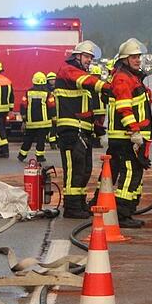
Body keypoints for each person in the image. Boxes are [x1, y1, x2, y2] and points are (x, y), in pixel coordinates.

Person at [55, 41, 107, 219]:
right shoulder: (68, 70)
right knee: (73, 169)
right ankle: (71, 207)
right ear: (76, 56)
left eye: (91, 58)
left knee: (84, 169)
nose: (89, 61)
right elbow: (89, 81)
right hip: (70, 129)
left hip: (82, 130)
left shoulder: (81, 75)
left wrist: (97, 126)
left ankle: (79, 202)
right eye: (86, 57)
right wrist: (107, 86)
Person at [108, 38, 152, 228]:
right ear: (125, 59)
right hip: (126, 137)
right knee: (128, 175)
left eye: (138, 57)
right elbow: (124, 108)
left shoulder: (132, 77)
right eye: (133, 57)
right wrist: (134, 130)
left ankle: (129, 210)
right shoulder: (122, 78)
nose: (137, 60)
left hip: (136, 137)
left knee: (135, 174)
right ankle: (121, 214)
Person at [18, 71, 54, 163]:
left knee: (28, 139)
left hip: (31, 122)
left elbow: (23, 105)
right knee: (41, 140)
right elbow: (52, 106)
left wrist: (24, 117)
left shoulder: (28, 92)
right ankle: (39, 156)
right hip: (44, 122)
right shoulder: (48, 93)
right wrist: (54, 117)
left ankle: (22, 155)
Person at [89, 64, 107, 148]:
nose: (96, 77)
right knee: (94, 126)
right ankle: (94, 141)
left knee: (100, 126)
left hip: (102, 110)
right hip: (94, 110)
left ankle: (98, 141)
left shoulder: (102, 84)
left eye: (97, 76)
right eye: (94, 76)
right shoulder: (89, 86)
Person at [46, 71, 58, 150]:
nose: (52, 81)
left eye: (53, 80)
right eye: (50, 80)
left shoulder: (58, 88)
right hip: (48, 111)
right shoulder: (46, 90)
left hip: (58, 110)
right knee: (52, 127)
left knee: (57, 127)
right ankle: (52, 143)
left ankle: (55, 142)